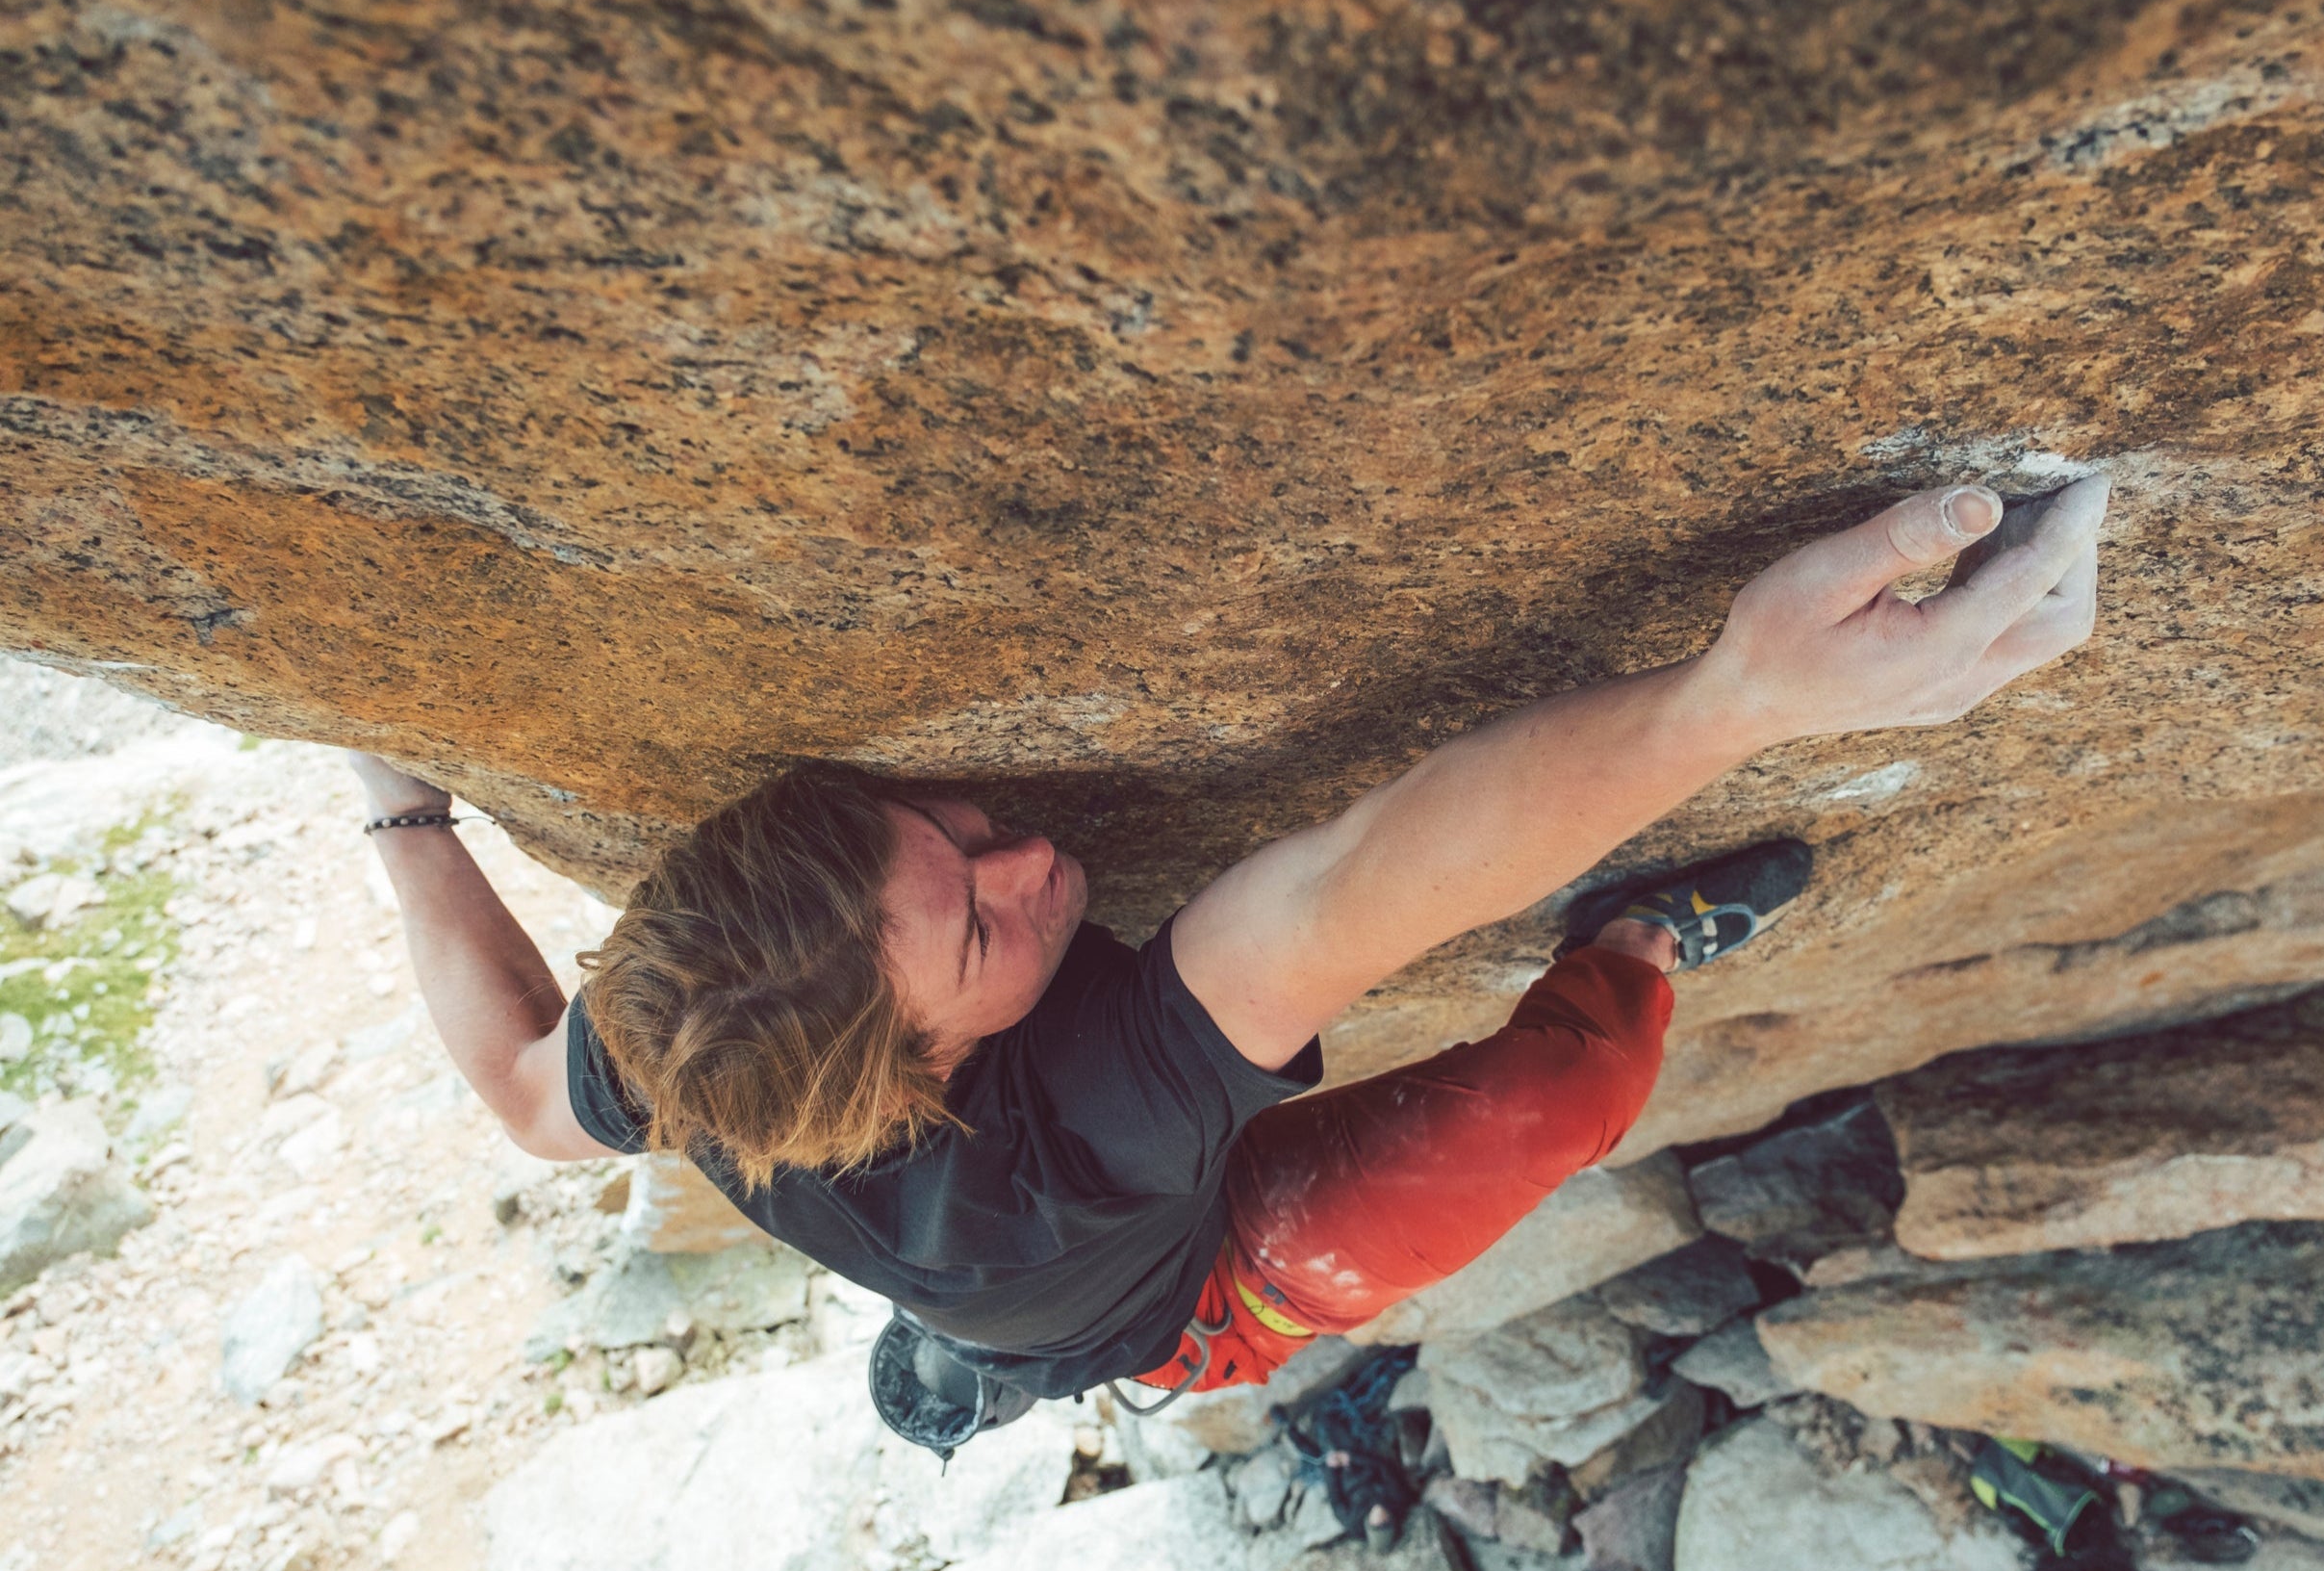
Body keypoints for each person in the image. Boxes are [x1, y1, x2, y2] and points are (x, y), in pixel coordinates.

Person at [350, 475, 2107, 1444]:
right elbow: (1356, 885)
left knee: (992, 1292)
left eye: (938, 826)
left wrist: (394, 799)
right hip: (1188, 1298)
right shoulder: (1080, 1133)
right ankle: (1635, 944)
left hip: (1012, 1259)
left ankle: (965, 1363)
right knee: (1562, 1100)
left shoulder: (690, 1030)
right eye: (981, 919)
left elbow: (522, 1095)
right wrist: (1744, 698)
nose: (1027, 860)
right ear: (926, 1068)